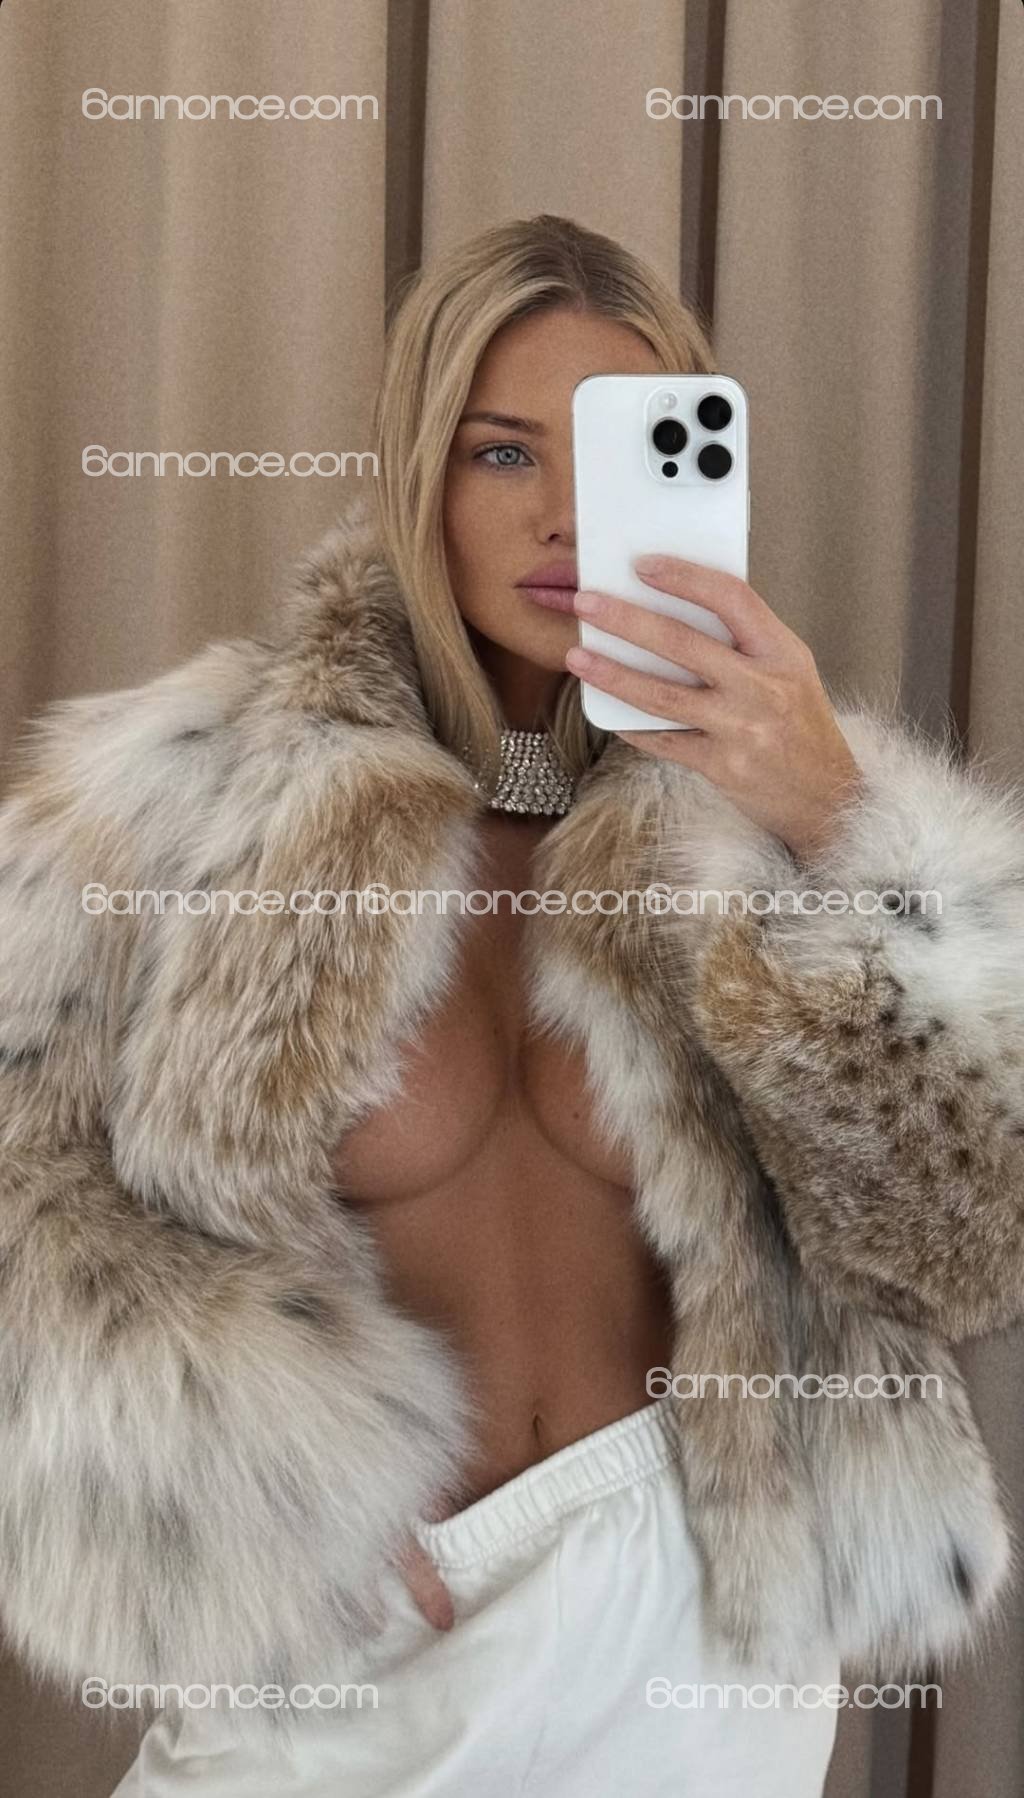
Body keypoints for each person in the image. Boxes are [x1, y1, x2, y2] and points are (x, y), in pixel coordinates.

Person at [2, 215, 1023, 1798]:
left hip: (698, 1638)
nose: (564, 515)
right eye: (501, 452)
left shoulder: (785, 837)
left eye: (613, 455)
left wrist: (840, 824)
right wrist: (246, 1477)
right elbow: (26, 1211)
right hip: (354, 1643)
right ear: (418, 470)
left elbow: (967, 1239)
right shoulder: (183, 802)